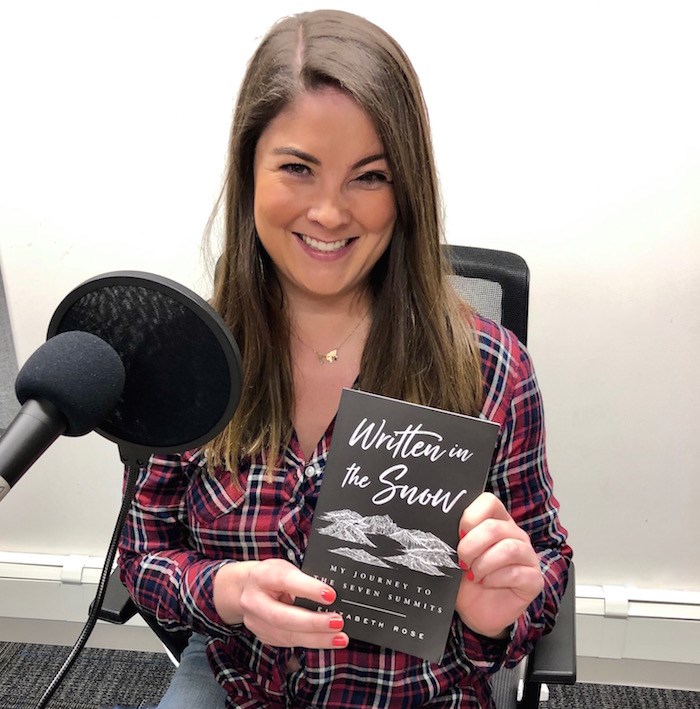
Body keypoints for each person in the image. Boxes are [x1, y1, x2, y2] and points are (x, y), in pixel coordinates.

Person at [118, 9, 572, 708]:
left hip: (418, 693)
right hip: (241, 686)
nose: (329, 213)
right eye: (298, 167)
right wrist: (228, 591)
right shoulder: (188, 359)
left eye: (369, 176)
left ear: (407, 191)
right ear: (249, 173)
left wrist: (498, 611)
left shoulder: (490, 368)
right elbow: (142, 555)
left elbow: (546, 559)